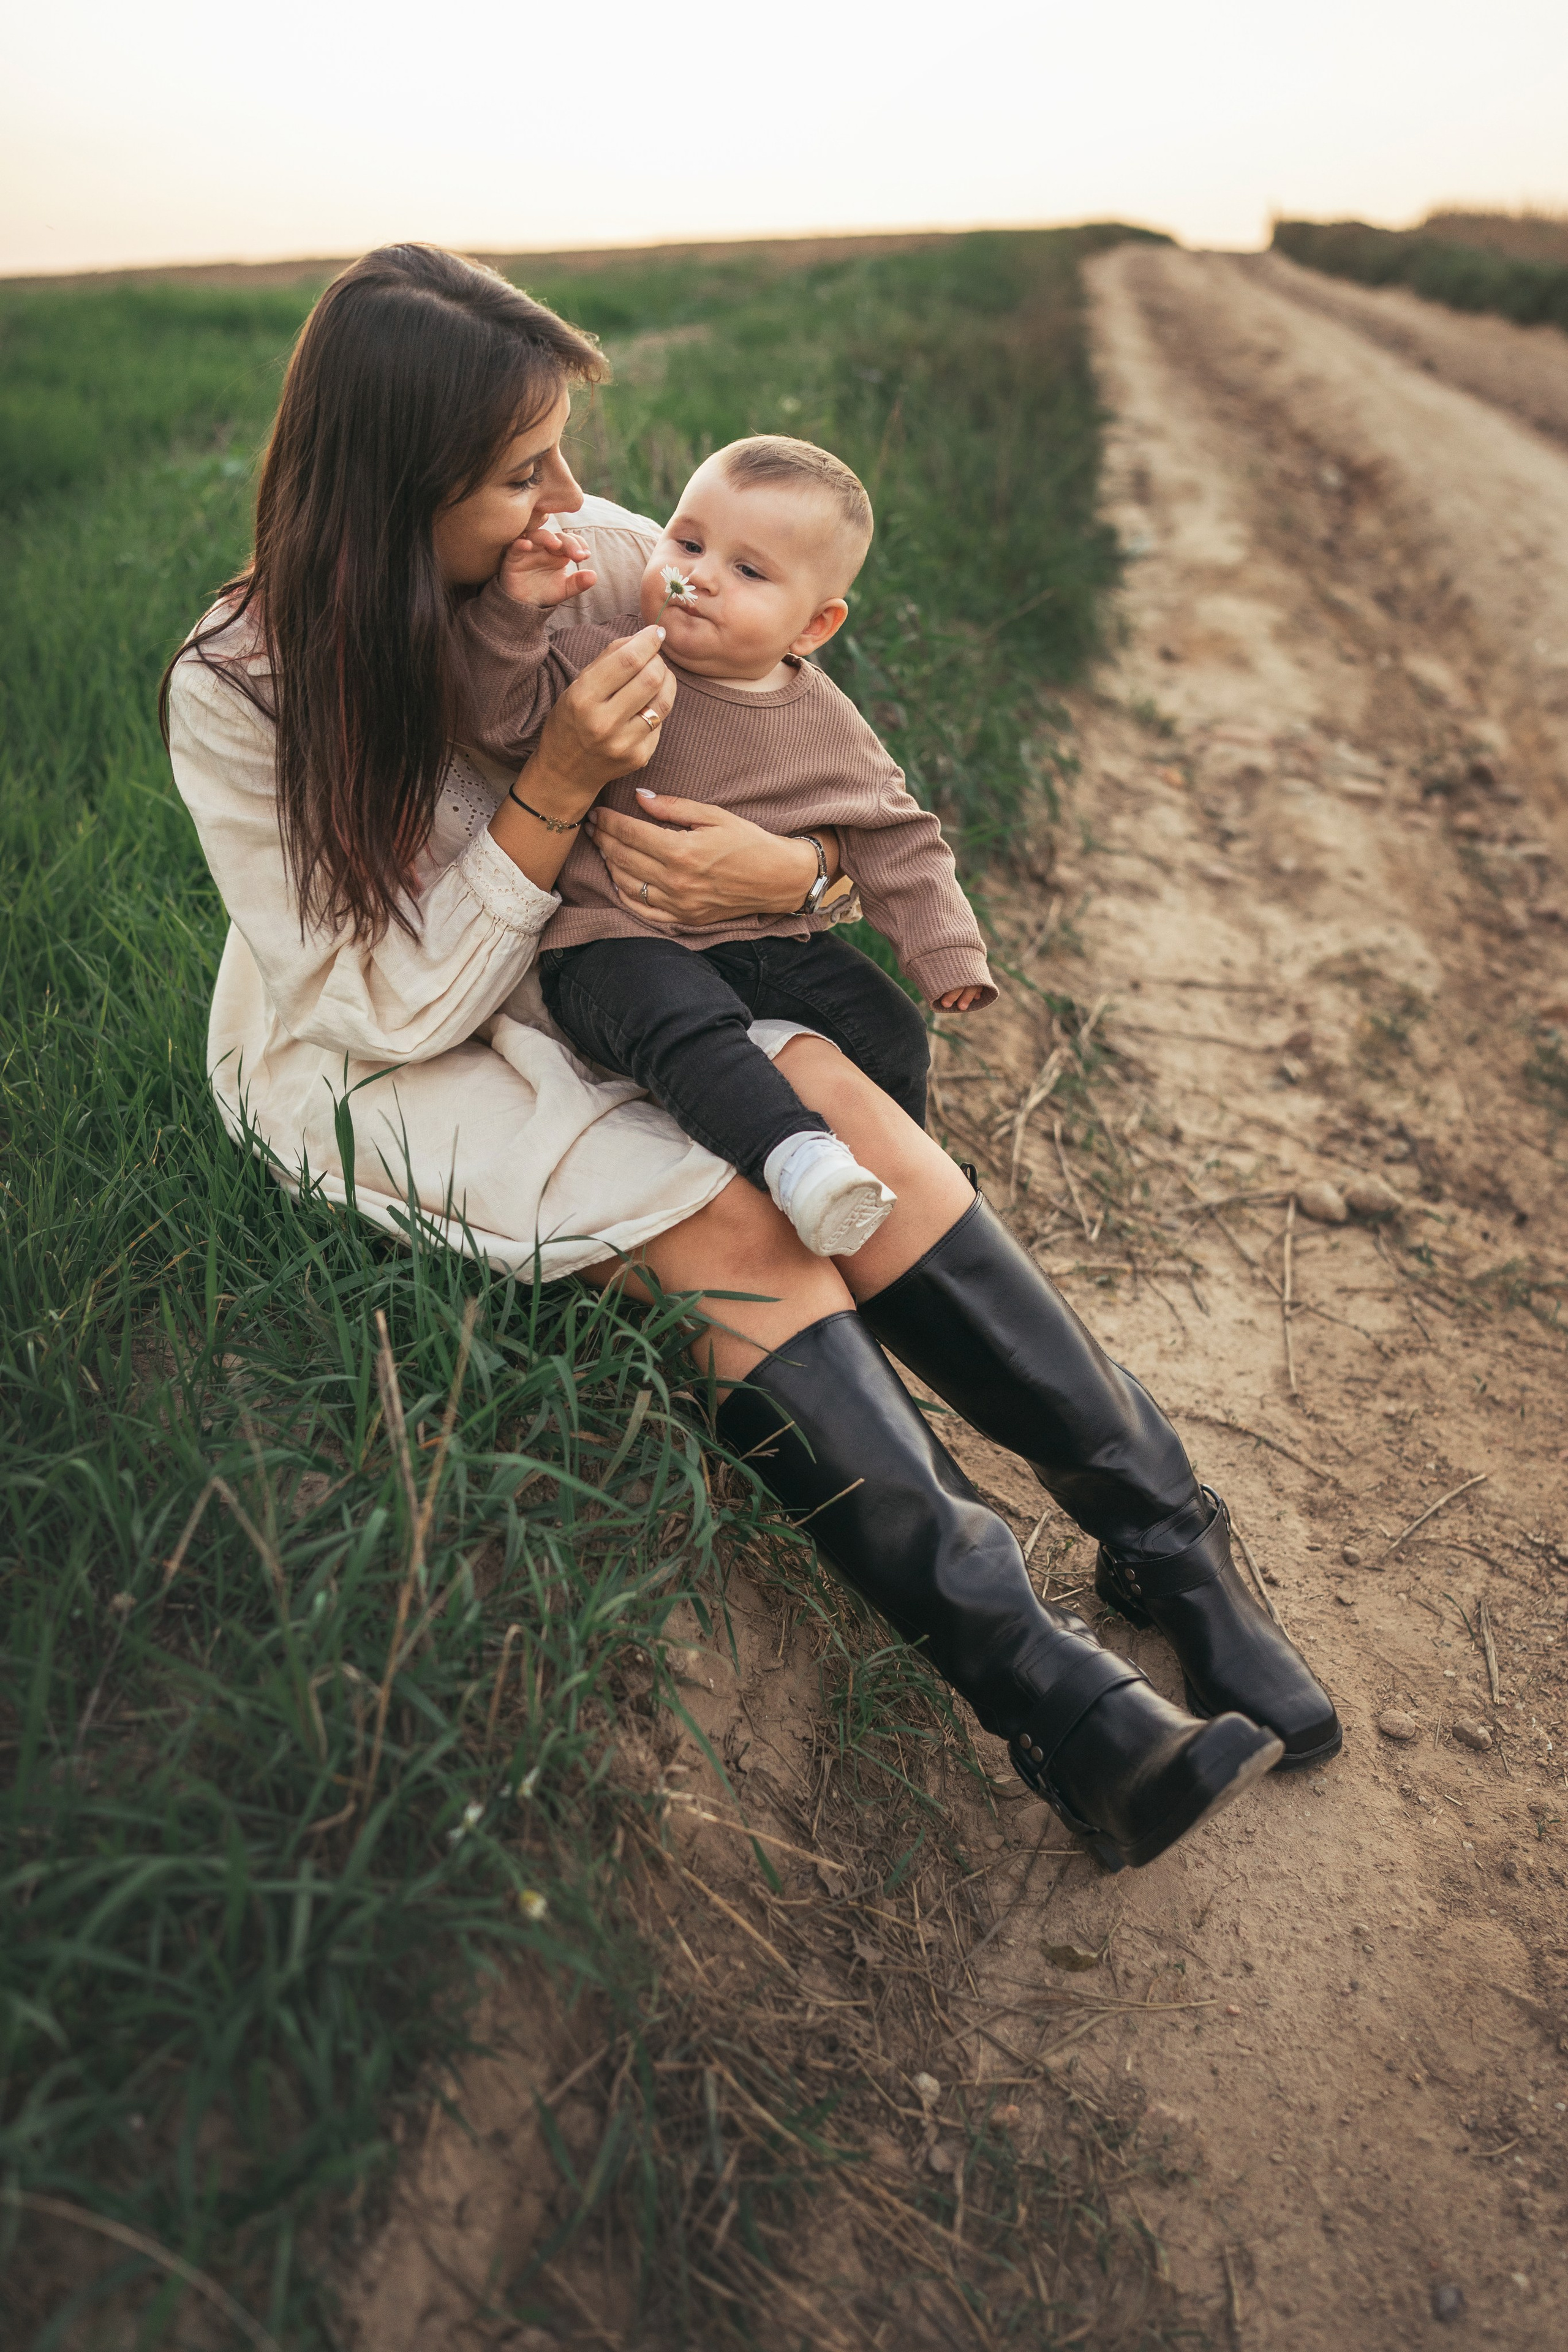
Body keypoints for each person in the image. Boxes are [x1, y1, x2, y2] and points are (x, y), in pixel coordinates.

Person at [162, 243, 1339, 1880]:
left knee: (837, 1102)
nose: (578, 498)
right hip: (389, 1041)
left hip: (611, 967)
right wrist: (557, 786)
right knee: (729, 1216)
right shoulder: (243, 687)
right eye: (522, 471)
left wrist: (799, 885)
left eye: (564, 450)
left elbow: (809, 771)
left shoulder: (608, 559)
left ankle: (1168, 1542)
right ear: (396, 489)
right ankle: (1060, 1711)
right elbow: (394, 1005)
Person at [448, 432, 994, 1261]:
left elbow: (898, 838)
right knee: (687, 1024)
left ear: (814, 625)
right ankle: (795, 1158)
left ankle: (908, 1203)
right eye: (688, 542)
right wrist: (514, 613)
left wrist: (946, 951)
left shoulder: (827, 723)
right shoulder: (605, 657)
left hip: (760, 940)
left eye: (748, 570)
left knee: (886, 1031)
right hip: (615, 943)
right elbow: (499, 719)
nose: (697, 575)